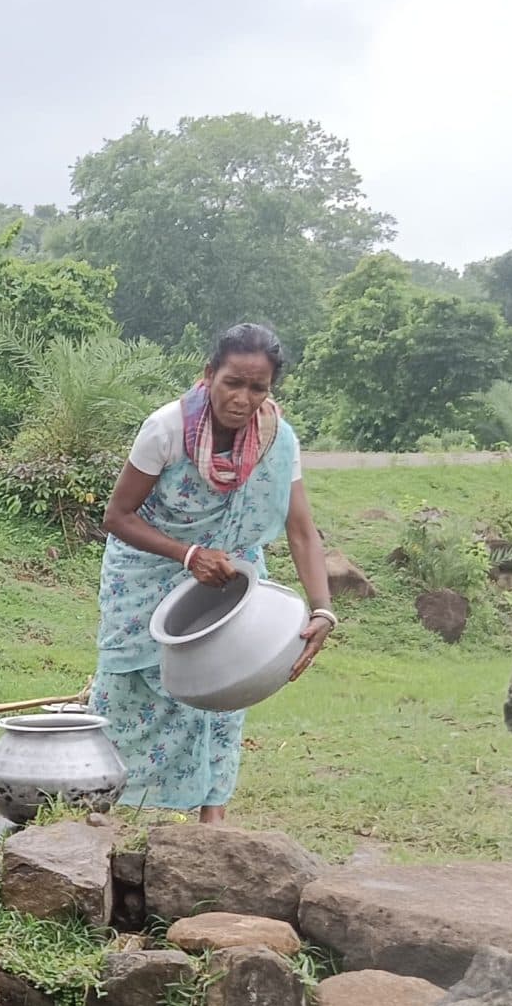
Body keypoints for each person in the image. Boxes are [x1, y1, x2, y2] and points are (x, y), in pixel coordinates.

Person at [89, 322, 336, 824]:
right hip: (148, 573)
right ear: (208, 375)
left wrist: (324, 609)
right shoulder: (167, 428)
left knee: (223, 687)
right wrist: (188, 555)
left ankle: (213, 825)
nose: (243, 399)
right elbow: (117, 516)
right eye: (233, 383)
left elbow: (303, 532)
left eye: (258, 388)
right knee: (126, 696)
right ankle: (104, 813)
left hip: (230, 581)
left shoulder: (277, 441)